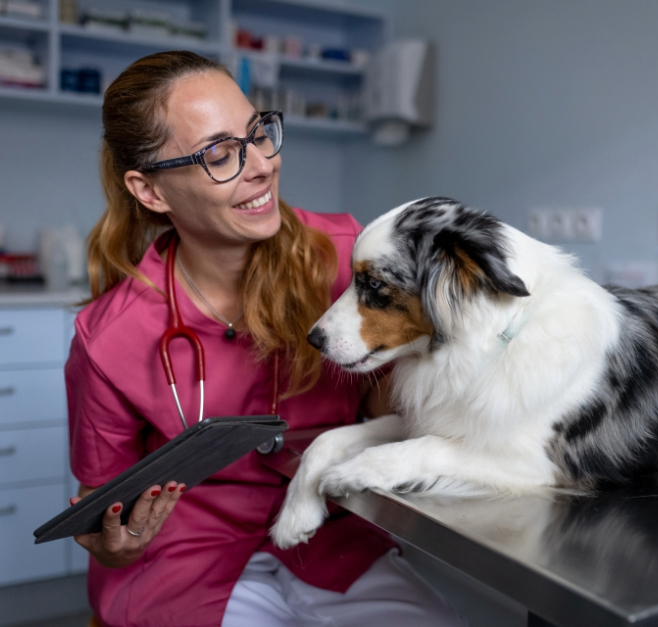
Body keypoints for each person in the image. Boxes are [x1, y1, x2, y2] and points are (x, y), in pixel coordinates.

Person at [65, 51, 462, 627]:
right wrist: (112, 541)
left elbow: (394, 403)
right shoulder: (111, 335)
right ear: (149, 191)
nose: (260, 166)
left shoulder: (346, 254)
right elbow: (102, 504)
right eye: (220, 154)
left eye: (258, 134)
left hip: (327, 536)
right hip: (186, 557)